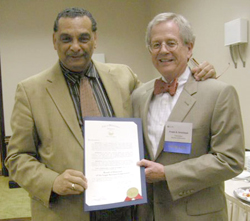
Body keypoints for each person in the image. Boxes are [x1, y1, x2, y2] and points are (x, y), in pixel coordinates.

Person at [5, 8, 216, 221]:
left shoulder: (124, 76)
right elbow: (16, 157)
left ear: (95, 40)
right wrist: (52, 181)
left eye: (84, 38)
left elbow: (164, 100)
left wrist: (194, 76)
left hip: (127, 208)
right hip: (68, 211)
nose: (75, 46)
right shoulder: (31, 91)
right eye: (66, 39)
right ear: (54, 41)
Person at [132, 12, 245, 221]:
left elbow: (230, 160)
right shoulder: (139, 96)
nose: (163, 50)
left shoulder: (218, 93)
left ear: (189, 47)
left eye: (171, 43)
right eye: (156, 44)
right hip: (150, 214)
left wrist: (168, 173)